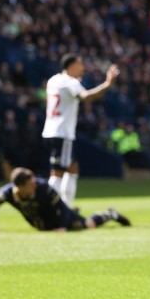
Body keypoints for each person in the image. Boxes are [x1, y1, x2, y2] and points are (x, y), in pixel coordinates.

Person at [42, 53, 120, 207]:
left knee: (72, 169)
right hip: (62, 133)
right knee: (58, 173)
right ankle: (53, 209)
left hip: (49, 131)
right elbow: (86, 97)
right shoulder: (70, 82)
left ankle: (64, 207)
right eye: (80, 64)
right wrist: (107, 84)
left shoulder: (53, 80)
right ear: (71, 66)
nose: (83, 68)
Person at [0, 167, 130, 233]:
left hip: (60, 218)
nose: (34, 186)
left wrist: (62, 226)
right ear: (19, 187)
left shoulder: (44, 188)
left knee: (88, 225)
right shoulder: (6, 193)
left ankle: (111, 214)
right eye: (30, 185)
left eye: (34, 182)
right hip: (43, 225)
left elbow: (61, 206)